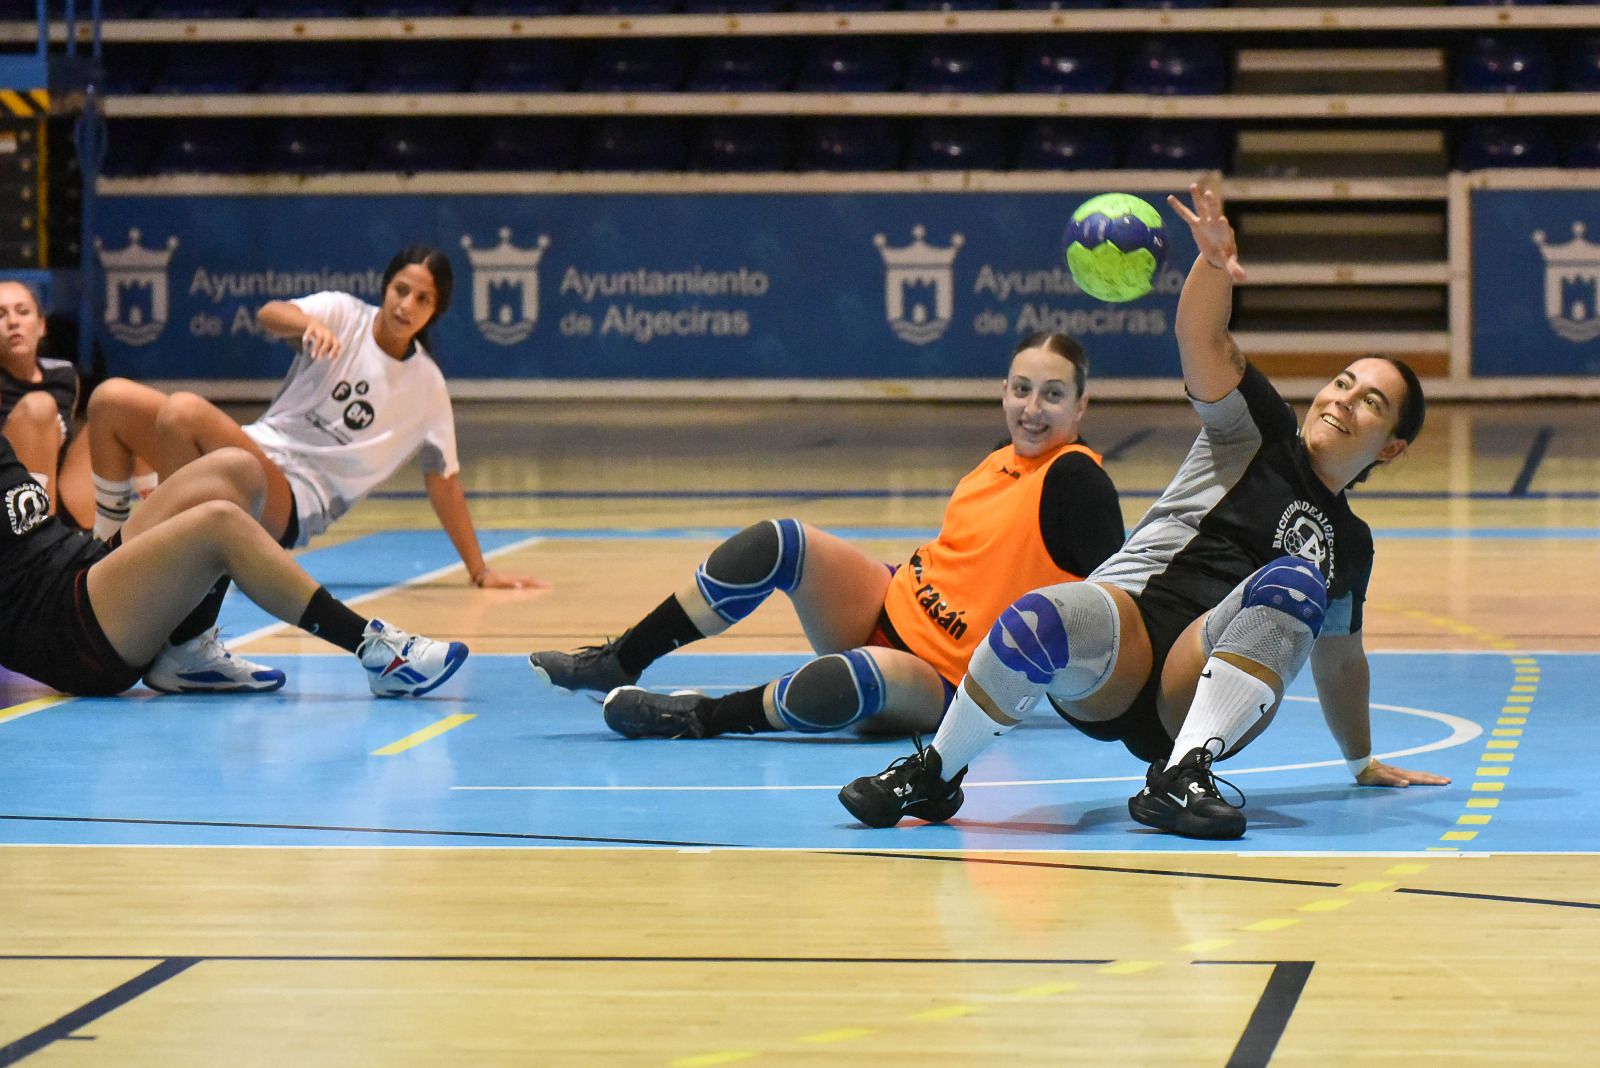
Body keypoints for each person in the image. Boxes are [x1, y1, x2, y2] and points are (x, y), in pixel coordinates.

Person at [840, 184, 1450, 840]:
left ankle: (1181, 777)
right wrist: (1213, 265)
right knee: (1039, 616)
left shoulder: (1349, 546)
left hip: (1195, 686)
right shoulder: (1259, 430)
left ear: (1392, 446)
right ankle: (935, 772)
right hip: (1120, 643)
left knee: (1295, 581)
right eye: (1342, 382)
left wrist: (1360, 761)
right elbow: (1201, 335)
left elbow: (1341, 662)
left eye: (1371, 402)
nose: (1343, 399)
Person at [526, 332, 1124, 745]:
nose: (1032, 409)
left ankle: (703, 715)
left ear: (1081, 406)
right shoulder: (1002, 456)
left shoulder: (1078, 479)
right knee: (779, 542)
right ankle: (618, 661)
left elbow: (1115, 607)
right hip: (894, 598)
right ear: (1002, 390)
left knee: (854, 676)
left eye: (1052, 395)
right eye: (1021, 389)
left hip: (949, 679)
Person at [83, 244, 542, 694]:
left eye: (423, 299)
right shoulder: (343, 313)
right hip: (251, 451)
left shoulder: (427, 386)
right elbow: (270, 314)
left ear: (435, 311)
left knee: (183, 412)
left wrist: (479, 570)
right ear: (385, 287)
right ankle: (100, 564)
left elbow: (444, 480)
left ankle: (185, 629)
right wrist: (305, 325)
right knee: (111, 400)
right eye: (402, 289)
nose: (407, 305)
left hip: (295, 498)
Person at [0, 436, 467, 698]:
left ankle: (186, 652)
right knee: (218, 525)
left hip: (78, 569)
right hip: (66, 631)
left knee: (235, 470)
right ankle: (378, 652)